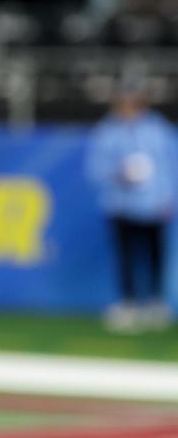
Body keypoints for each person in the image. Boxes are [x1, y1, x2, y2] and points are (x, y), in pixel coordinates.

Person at [86, 78, 178, 333]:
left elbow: (169, 166)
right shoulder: (107, 131)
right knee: (125, 255)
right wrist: (120, 174)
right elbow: (96, 169)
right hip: (121, 203)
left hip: (153, 204)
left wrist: (168, 198)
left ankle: (156, 302)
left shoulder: (157, 129)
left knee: (154, 254)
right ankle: (128, 303)